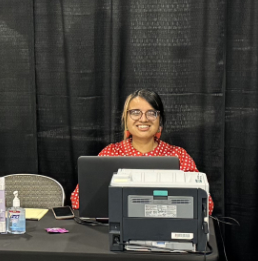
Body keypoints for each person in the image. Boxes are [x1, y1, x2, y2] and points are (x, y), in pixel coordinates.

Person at [71, 89, 212, 214]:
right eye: (135, 112)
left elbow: (206, 205)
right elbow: (79, 200)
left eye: (151, 113)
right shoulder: (110, 153)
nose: (143, 119)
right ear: (126, 119)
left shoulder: (178, 156)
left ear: (160, 121)